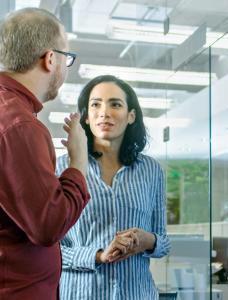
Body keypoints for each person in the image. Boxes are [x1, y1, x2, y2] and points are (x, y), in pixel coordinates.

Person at [0, 8, 90, 299]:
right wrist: (78, 163)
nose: (66, 66)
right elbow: (49, 225)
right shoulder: (17, 125)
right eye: (67, 57)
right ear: (50, 59)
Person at [56, 75, 170, 299]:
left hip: (137, 293)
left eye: (115, 104)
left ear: (131, 116)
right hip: (82, 293)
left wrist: (148, 241)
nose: (104, 112)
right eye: (95, 104)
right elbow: (49, 249)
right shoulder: (63, 167)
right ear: (86, 117)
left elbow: (163, 242)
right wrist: (97, 255)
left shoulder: (151, 170)